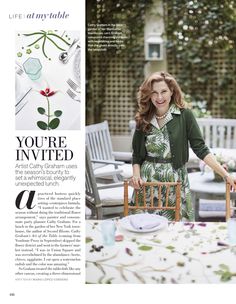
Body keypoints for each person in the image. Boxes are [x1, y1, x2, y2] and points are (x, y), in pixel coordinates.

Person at [129, 71, 236, 221]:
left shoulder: (185, 115)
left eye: (164, 91)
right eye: (154, 93)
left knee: (175, 229)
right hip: (148, 183)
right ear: (149, 95)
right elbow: (137, 156)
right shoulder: (143, 118)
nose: (159, 97)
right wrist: (136, 176)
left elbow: (200, 148)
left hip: (175, 181)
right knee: (144, 229)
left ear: (172, 91)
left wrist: (225, 175)